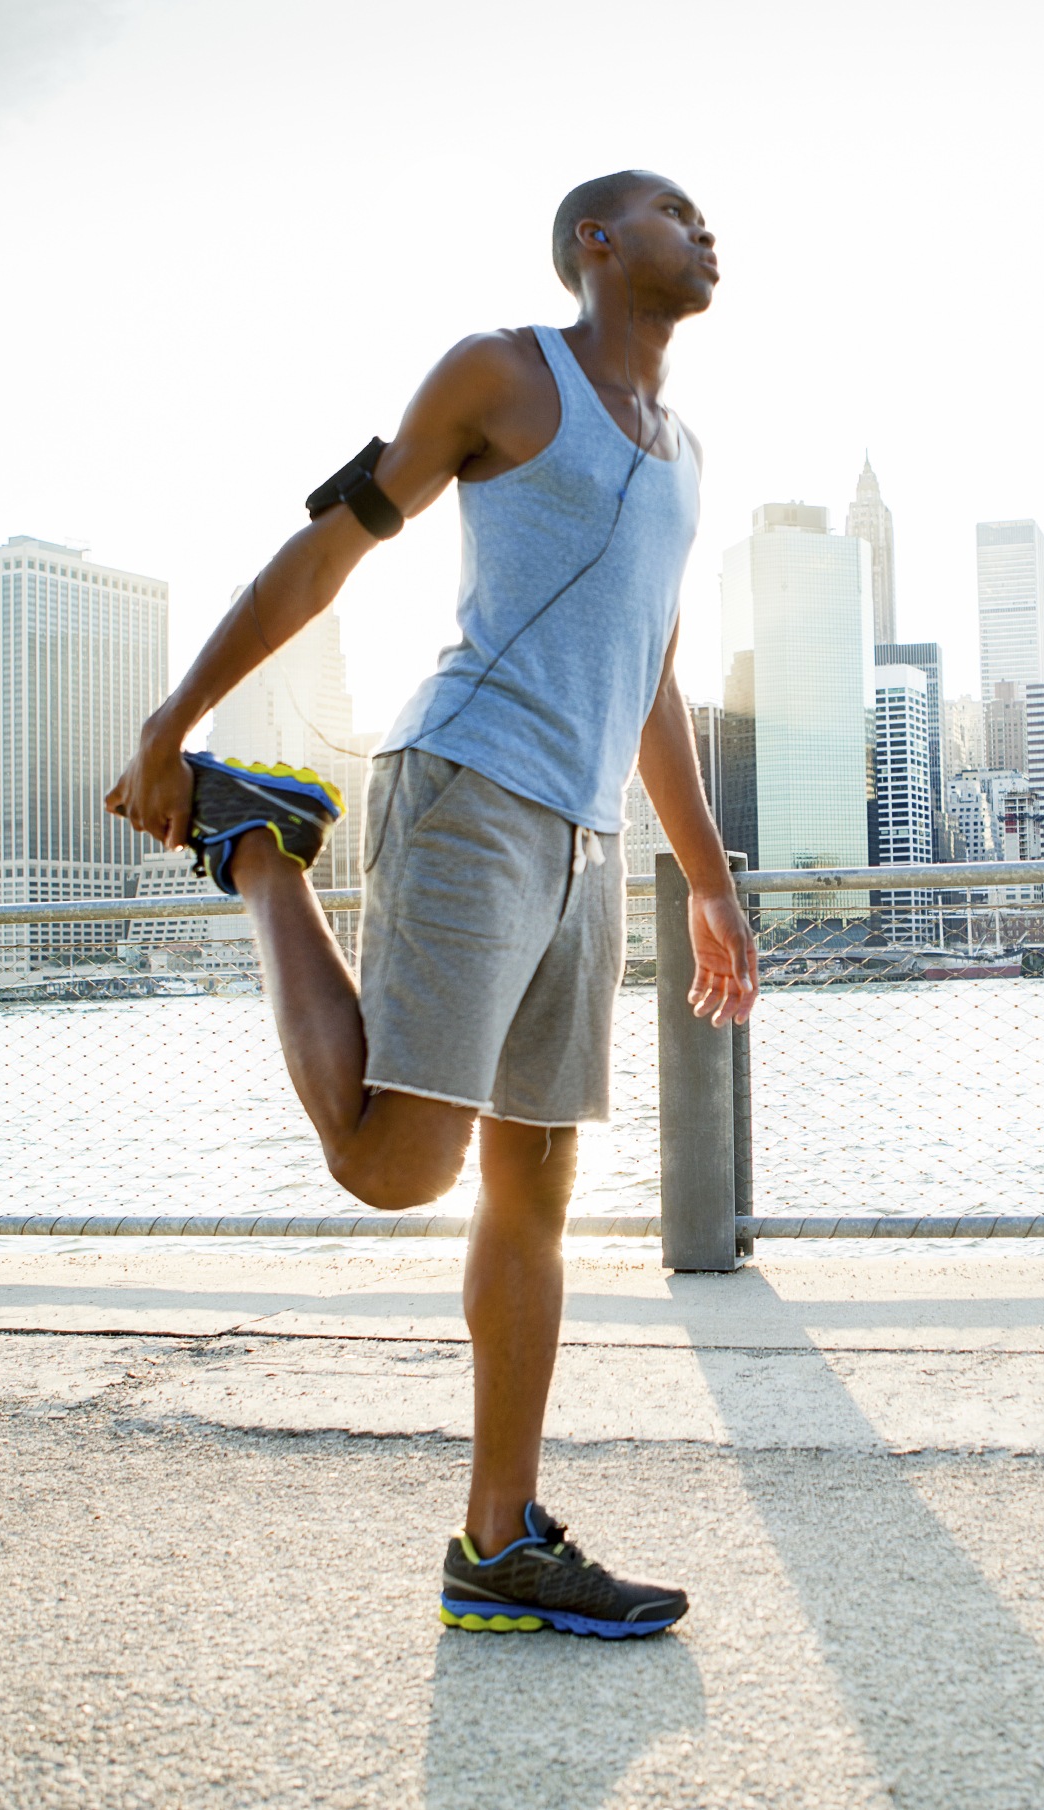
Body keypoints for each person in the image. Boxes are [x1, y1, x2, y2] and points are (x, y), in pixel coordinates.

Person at [106, 170, 755, 1640]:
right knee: (396, 1167)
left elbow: (651, 678)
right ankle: (262, 849)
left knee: (536, 1197)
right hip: (469, 784)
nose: (705, 232)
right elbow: (337, 538)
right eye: (673, 210)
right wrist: (175, 716)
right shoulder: (505, 374)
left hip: (582, 842)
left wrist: (708, 882)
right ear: (597, 241)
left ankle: (500, 1540)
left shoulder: (689, 456)